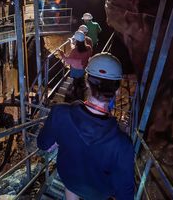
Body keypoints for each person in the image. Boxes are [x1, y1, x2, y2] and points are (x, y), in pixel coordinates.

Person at [37, 53, 134, 200]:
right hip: (99, 191)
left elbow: (43, 144)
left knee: (72, 185)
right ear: (117, 91)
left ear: (87, 83)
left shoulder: (60, 113)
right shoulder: (122, 145)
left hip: (69, 177)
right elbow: (124, 194)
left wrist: (59, 139)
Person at [59, 31, 92, 101]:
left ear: (76, 41)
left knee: (75, 81)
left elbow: (67, 60)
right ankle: (81, 86)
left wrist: (61, 53)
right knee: (80, 77)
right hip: (83, 68)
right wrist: (71, 41)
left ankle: (75, 90)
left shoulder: (74, 51)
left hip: (75, 69)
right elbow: (88, 55)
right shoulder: (89, 48)